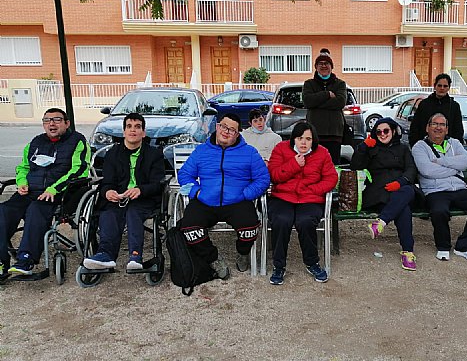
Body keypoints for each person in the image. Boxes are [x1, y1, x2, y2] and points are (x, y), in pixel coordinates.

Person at [0, 108, 90, 278]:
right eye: (47, 120)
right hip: (29, 192)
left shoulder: (78, 141)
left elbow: (80, 170)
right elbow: (23, 167)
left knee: (36, 210)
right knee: (3, 211)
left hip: (59, 193)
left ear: (67, 123)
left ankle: (26, 260)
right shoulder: (35, 142)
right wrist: (22, 183)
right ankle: (1, 262)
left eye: (56, 119)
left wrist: (53, 189)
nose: (51, 123)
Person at [178, 113, 270, 277]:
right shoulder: (201, 151)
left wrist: (246, 194)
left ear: (237, 134)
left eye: (232, 130)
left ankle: (242, 253)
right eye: (224, 126)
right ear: (217, 126)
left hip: (237, 201)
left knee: (250, 228)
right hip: (205, 200)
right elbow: (185, 175)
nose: (226, 132)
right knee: (189, 228)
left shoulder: (249, 152)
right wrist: (196, 192)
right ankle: (213, 258)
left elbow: (262, 179)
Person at [83, 113, 165, 272]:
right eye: (129, 127)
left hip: (144, 198)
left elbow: (158, 183)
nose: (133, 130)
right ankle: (105, 255)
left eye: (137, 127)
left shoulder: (154, 154)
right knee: (108, 213)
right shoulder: (113, 154)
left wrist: (141, 189)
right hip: (118, 198)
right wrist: (108, 192)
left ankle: (135, 256)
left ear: (144, 132)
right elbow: (107, 182)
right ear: (123, 132)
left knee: (133, 212)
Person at [412, 113, 467, 262]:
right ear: (427, 128)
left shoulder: (454, 143)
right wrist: (454, 166)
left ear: (447, 129)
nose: (438, 127)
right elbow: (427, 171)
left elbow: (466, 160)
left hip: (460, 188)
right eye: (434, 124)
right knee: (439, 211)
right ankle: (443, 246)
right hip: (435, 191)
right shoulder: (420, 147)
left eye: (442, 125)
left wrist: (440, 161)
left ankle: (464, 246)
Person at [267, 121, 338, 285]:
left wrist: (313, 190)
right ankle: (279, 266)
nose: (304, 142)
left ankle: (312, 263)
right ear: (294, 139)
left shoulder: (322, 153)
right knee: (281, 220)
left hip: (309, 198)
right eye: (300, 138)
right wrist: (294, 164)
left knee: (305, 221)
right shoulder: (281, 149)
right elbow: (274, 175)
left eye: (308, 138)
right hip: (283, 197)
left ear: (314, 140)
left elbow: (331, 178)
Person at [350, 117, 419, 270]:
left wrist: (400, 182)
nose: (382, 134)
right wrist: (363, 148)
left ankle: (380, 222)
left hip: (400, 187)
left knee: (407, 190)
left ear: (393, 131)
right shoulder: (371, 147)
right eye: (378, 131)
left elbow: (411, 169)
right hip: (379, 191)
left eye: (386, 130)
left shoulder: (403, 148)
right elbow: (355, 166)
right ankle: (408, 252)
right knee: (404, 209)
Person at [302, 48, 347, 164]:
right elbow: (307, 102)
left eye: (326, 63)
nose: (323, 66)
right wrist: (326, 94)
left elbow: (340, 102)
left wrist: (316, 103)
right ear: (316, 67)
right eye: (320, 64)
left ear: (331, 66)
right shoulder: (309, 84)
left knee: (333, 166)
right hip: (315, 133)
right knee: (314, 165)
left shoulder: (340, 84)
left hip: (334, 134)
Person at [408, 73, 464, 147]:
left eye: (445, 86)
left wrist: (455, 147)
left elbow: (458, 130)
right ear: (435, 86)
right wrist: (415, 145)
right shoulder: (424, 104)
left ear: (449, 88)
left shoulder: (454, 106)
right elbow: (415, 127)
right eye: (439, 85)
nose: (442, 88)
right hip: (425, 147)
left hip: (448, 149)